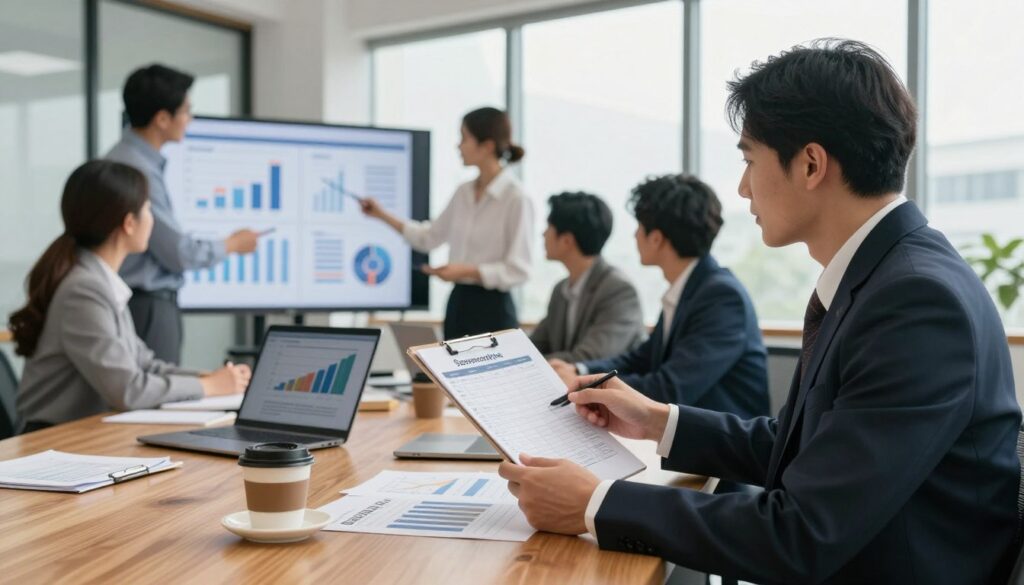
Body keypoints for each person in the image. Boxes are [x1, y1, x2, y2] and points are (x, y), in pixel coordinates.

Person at [499, 40, 1022, 584]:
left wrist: (595, 504)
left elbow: (801, 534)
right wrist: (656, 421)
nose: (744, 188)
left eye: (750, 160)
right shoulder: (886, 274)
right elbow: (806, 446)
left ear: (811, 164)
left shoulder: (914, 302)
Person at [10, 160, 251, 432]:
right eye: (148, 208)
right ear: (129, 223)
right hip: (48, 440)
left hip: (77, 433)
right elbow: (127, 390)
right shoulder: (84, 290)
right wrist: (208, 386)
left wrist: (211, 378)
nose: (152, 218)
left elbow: (144, 364)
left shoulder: (100, 281)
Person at [550, 175, 768, 419]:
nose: (634, 236)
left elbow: (669, 387)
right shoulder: (690, 288)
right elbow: (641, 359)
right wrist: (579, 368)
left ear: (656, 238)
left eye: (639, 228)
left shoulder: (722, 298)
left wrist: (585, 383)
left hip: (723, 448)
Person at [105, 63, 259, 363]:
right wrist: (233, 244)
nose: (190, 119)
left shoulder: (130, 159)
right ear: (162, 118)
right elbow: (177, 252)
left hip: (145, 304)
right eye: (186, 111)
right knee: (157, 404)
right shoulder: (137, 170)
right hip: (147, 306)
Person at [361, 107, 533, 340]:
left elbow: (518, 270)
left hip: (494, 310)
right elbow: (428, 237)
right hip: (458, 305)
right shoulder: (463, 192)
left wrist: (467, 271)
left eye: (464, 138)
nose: (458, 146)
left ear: (487, 145)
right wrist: (381, 215)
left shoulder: (516, 198)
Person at [529, 191, 645, 362]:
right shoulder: (561, 289)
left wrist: (522, 365)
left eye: (548, 227)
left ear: (567, 240)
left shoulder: (618, 290)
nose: (543, 234)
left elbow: (590, 358)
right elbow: (534, 346)